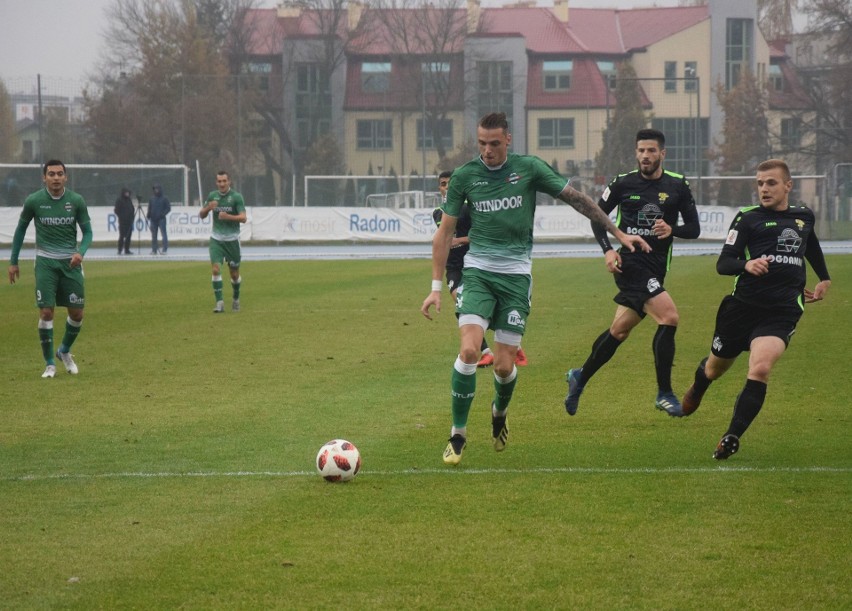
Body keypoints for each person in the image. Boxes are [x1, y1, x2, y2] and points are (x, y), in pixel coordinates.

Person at [421, 112, 649, 465]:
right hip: (478, 273)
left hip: (516, 278)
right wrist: (436, 287)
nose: (487, 151)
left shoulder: (528, 169)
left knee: (503, 366)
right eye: (481, 143)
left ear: (508, 140)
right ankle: (458, 434)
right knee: (468, 352)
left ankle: (499, 413)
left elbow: (577, 199)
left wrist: (618, 233)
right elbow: (444, 234)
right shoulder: (466, 176)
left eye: (494, 143)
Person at [681, 159, 831, 460]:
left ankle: (731, 437)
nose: (764, 188)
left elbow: (809, 244)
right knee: (714, 368)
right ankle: (699, 385)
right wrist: (746, 264)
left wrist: (824, 277)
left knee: (760, 368)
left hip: (782, 310)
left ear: (788, 185)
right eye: (760, 183)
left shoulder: (804, 216)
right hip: (742, 308)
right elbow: (724, 263)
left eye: (771, 183)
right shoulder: (748, 219)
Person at [563, 128, 701, 418]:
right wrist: (608, 250)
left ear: (662, 153)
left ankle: (580, 377)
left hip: (656, 268)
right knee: (669, 317)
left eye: (651, 151)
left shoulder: (678, 185)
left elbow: (694, 228)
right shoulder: (622, 183)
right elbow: (596, 218)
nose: (645, 156)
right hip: (631, 264)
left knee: (619, 331)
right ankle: (664, 393)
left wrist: (672, 229)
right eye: (641, 151)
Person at [432, 170, 528, 368]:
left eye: (450, 182)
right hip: (453, 267)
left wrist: (459, 240)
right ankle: (487, 352)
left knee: (473, 306)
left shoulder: (471, 209)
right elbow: (445, 238)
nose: (447, 187)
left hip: (475, 264)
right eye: (443, 184)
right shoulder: (438, 212)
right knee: (461, 304)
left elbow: (481, 234)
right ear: (439, 188)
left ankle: (512, 346)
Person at [8, 159, 93, 378]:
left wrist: (80, 252)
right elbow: (20, 231)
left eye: (60, 174)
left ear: (66, 177)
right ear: (44, 177)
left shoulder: (76, 201)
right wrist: (13, 261)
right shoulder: (34, 201)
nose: (56, 178)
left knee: (77, 312)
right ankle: (49, 364)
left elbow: (88, 232)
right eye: (51, 174)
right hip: (45, 261)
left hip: (70, 263)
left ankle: (63, 351)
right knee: (46, 311)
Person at [200, 170, 247, 313]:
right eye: (219, 181)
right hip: (216, 240)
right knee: (215, 269)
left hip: (232, 241)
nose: (221, 184)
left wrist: (228, 217)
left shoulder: (236, 197)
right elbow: (201, 215)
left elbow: (243, 218)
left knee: (234, 274)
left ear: (229, 182)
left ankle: (236, 298)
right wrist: (208, 208)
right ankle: (219, 302)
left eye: (224, 181)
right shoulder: (212, 196)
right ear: (216, 182)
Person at [147, 183, 171, 254]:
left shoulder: (164, 198)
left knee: (163, 234)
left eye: (157, 189)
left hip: (161, 219)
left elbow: (168, 208)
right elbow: (150, 208)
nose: (156, 190)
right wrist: (148, 215)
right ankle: (154, 250)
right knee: (154, 235)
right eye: (155, 189)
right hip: (153, 219)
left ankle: (164, 249)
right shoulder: (152, 199)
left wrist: (162, 214)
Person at [114, 187, 135, 255]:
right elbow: (116, 210)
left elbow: (132, 208)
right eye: (126, 192)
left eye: (128, 193)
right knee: (122, 236)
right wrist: (121, 216)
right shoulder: (119, 200)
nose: (127, 194)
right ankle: (120, 249)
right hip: (122, 221)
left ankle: (127, 249)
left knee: (129, 236)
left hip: (129, 221)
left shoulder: (129, 200)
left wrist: (132, 216)